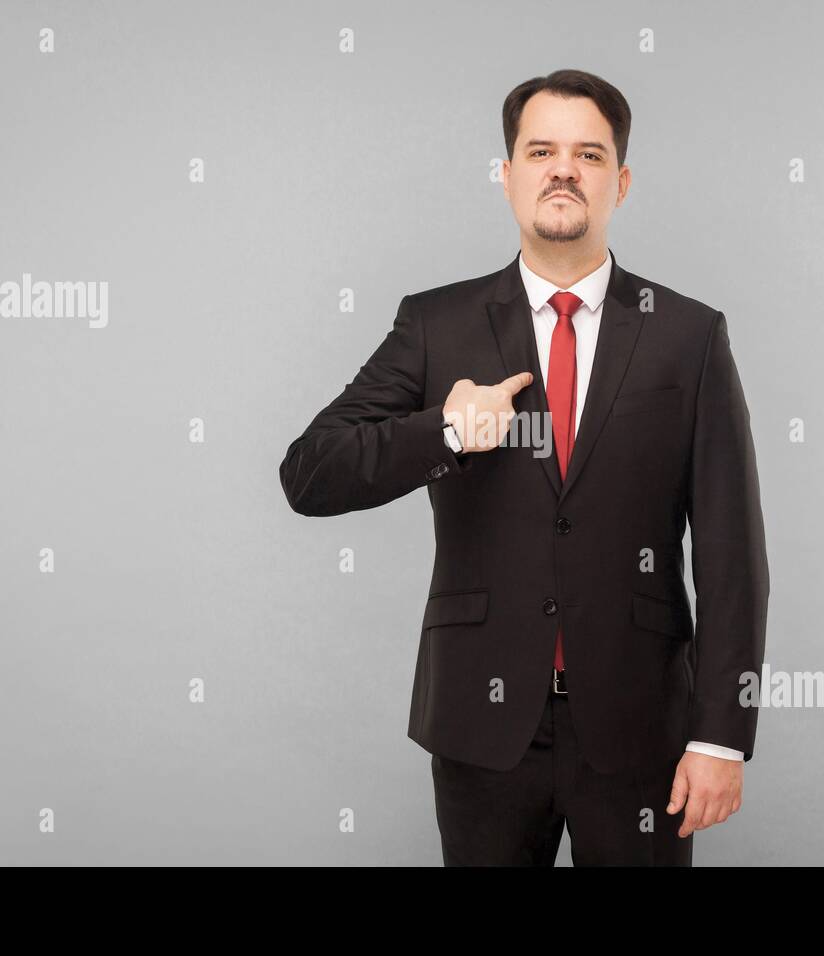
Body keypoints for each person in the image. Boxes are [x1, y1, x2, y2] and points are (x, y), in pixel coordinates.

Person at [280, 68, 769, 866]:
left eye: (589, 153)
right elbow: (309, 474)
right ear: (507, 176)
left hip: (642, 726)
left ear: (622, 180)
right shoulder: (437, 325)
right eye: (540, 150)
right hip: (482, 724)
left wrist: (722, 734)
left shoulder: (688, 335)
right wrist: (442, 430)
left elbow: (732, 553)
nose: (563, 169)